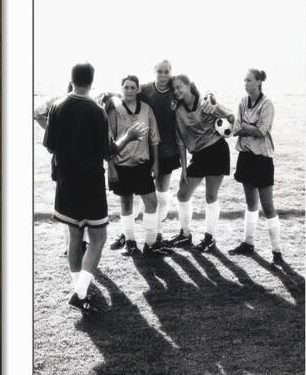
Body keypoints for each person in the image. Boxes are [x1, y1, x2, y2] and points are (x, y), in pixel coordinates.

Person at [43, 63, 147, 313]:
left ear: (72, 79)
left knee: (76, 238)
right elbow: (109, 151)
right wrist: (130, 137)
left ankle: (79, 289)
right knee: (99, 238)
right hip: (90, 184)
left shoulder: (57, 106)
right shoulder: (96, 111)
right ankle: (80, 293)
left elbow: (49, 146)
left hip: (66, 183)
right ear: (91, 81)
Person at [165, 74, 234, 251]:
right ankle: (185, 235)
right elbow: (180, 141)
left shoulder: (205, 102)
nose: (176, 91)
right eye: (174, 88)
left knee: (211, 196)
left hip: (216, 150)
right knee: (182, 195)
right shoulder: (177, 110)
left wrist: (215, 103)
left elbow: (231, 116)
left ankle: (210, 239)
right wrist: (183, 168)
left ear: (189, 86)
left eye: (179, 86)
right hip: (198, 155)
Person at [107, 75, 170, 257]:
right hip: (121, 164)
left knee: (152, 202)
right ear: (121, 89)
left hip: (142, 164)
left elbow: (154, 138)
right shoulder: (114, 111)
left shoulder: (147, 109)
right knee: (126, 203)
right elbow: (108, 142)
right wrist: (111, 168)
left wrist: (156, 164)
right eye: (125, 87)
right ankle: (130, 242)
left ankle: (150, 244)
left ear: (138, 90)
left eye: (132, 87)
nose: (129, 91)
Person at [228, 69, 283, 267]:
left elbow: (261, 131)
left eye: (249, 80)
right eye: (244, 80)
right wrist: (245, 127)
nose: (245, 83)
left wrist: (245, 126)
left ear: (259, 82)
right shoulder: (243, 101)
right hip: (245, 157)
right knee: (251, 203)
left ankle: (276, 251)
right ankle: (248, 243)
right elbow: (235, 130)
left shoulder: (267, 104)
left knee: (267, 205)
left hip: (262, 159)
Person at [34, 82, 88, 255]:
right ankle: (70, 244)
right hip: (62, 162)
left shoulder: (90, 101)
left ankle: (83, 242)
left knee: (83, 203)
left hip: (85, 162)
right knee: (68, 205)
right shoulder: (58, 101)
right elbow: (37, 113)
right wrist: (53, 131)